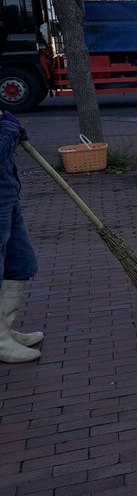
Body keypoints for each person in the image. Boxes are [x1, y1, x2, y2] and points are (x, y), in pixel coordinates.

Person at [0, 110, 40, 364]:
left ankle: (4, 329)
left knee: (22, 264)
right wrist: (9, 129)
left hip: (7, 194)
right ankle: (1, 342)